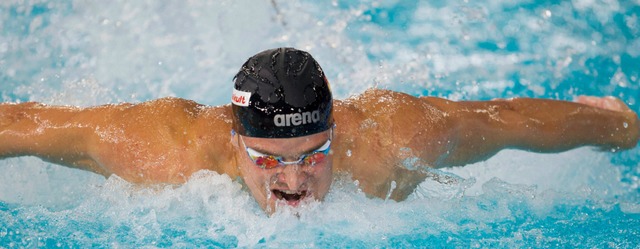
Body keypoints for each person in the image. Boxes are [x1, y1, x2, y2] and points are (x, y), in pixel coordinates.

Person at [1, 47, 638, 214]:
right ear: (233, 139)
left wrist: (620, 128)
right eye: (269, 159)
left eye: (314, 152)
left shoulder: (392, 142)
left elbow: (507, 121)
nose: (294, 179)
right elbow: (23, 125)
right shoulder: (161, 151)